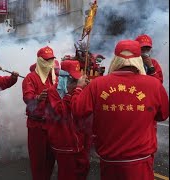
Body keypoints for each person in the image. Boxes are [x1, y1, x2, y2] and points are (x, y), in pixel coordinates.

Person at [71, 40, 169, 180]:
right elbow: (163, 115)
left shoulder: (98, 84)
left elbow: (77, 110)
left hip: (110, 163)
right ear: (138, 60)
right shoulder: (153, 84)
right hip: (141, 163)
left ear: (116, 59)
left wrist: (78, 88)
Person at [22, 46, 57, 180]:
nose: (49, 63)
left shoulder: (54, 77)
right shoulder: (30, 78)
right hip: (37, 125)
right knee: (38, 159)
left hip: (53, 124)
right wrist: (37, 98)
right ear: (40, 61)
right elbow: (27, 98)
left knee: (50, 158)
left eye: (51, 60)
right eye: (46, 60)